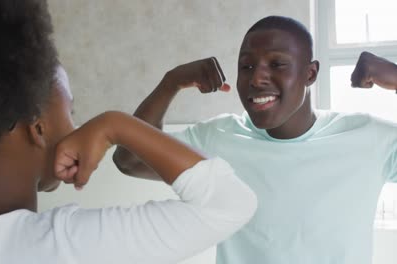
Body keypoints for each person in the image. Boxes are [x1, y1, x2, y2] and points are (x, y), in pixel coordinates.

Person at [0, 1, 258, 263]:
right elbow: (230, 204)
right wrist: (113, 124)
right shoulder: (67, 245)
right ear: (38, 126)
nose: (77, 126)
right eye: (70, 112)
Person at [113, 15, 397, 263]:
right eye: (246, 66)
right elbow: (129, 160)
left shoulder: (368, 138)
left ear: (310, 73)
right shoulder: (219, 138)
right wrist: (170, 82)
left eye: (277, 64)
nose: (257, 78)